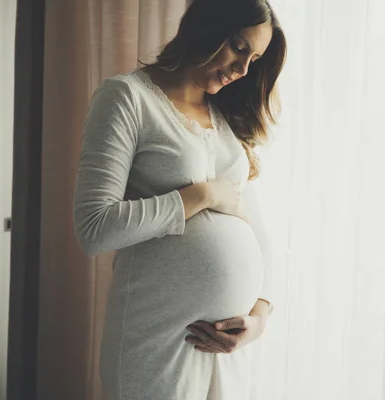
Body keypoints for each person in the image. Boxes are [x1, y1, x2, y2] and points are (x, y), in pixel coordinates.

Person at [72, 0, 287, 398]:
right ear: (205, 27)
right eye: (239, 47)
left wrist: (259, 315)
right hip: (157, 338)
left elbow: (256, 229)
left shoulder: (223, 118)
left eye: (254, 59)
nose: (243, 70)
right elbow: (94, 229)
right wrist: (200, 195)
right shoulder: (128, 98)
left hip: (227, 349)